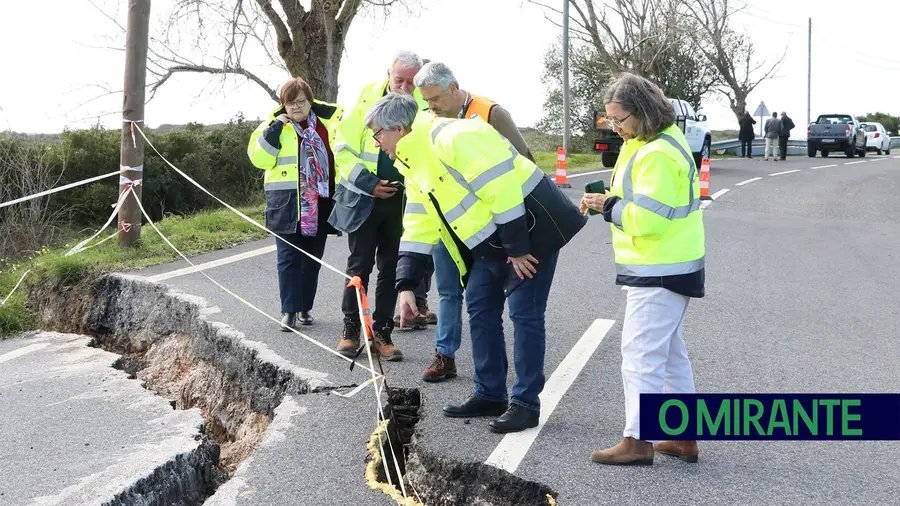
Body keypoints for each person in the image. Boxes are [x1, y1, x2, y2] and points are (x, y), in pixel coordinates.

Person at [365, 92, 587, 433]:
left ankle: (526, 404)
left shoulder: (453, 136)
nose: (376, 142)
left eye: (377, 134)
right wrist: (407, 285)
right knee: (481, 308)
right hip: (491, 243)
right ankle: (490, 393)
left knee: (524, 313)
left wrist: (515, 248)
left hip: (530, 233)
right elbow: (419, 220)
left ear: (397, 128)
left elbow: (502, 188)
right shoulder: (412, 160)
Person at [580, 72, 705, 465]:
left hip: (660, 267)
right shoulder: (648, 142)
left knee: (640, 354)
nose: (615, 127)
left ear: (644, 111)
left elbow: (650, 218)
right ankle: (682, 437)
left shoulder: (657, 152)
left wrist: (608, 207)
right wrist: (610, 198)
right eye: (609, 120)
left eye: (620, 119)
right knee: (668, 354)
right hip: (666, 264)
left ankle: (637, 440)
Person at [408, 61, 537, 383]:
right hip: (449, 225)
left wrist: (516, 237)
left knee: (502, 307)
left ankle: (516, 390)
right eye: (425, 102)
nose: (431, 107)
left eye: (434, 99)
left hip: (493, 229)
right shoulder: (428, 122)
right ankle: (445, 356)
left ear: (453, 88)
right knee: (449, 292)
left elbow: (522, 165)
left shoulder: (491, 114)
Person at [329, 50, 427, 361]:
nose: (405, 87)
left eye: (412, 82)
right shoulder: (364, 100)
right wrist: (368, 183)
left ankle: (383, 334)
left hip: (403, 199)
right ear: (388, 74)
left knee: (392, 268)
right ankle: (351, 329)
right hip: (364, 196)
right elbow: (342, 148)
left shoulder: (422, 104)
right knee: (359, 266)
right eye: (399, 80)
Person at [247, 77, 343, 331]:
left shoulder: (327, 124)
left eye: (301, 101)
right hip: (287, 202)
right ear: (283, 105)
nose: (296, 107)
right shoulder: (270, 125)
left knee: (312, 258)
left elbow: (343, 142)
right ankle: (288, 310)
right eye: (290, 103)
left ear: (310, 101)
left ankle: (305, 308)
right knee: (288, 258)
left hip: (320, 202)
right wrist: (275, 128)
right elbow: (259, 159)